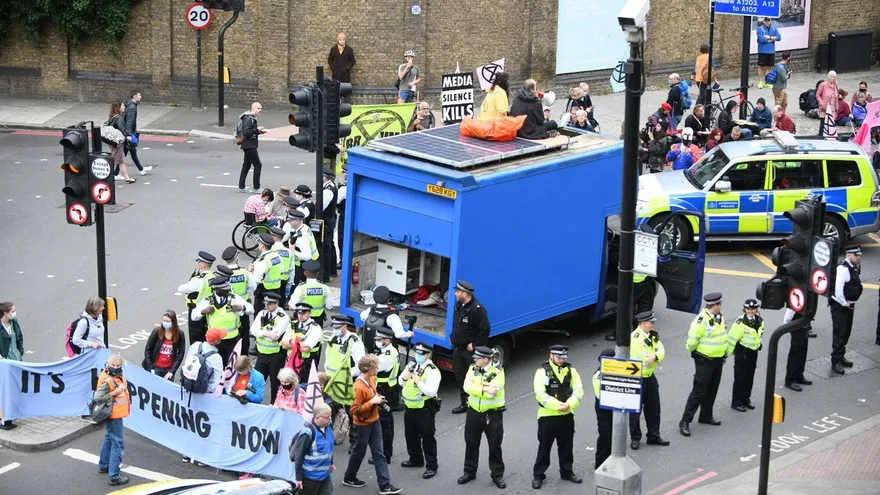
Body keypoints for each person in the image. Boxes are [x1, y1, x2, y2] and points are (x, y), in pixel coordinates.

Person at [343, 355, 403, 495]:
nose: (378, 368)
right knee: (359, 452)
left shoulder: (371, 379)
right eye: (376, 366)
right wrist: (372, 402)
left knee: (379, 454)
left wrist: (377, 399)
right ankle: (349, 477)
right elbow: (355, 411)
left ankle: (385, 485)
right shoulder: (358, 387)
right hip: (363, 425)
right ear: (370, 369)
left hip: (374, 422)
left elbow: (372, 394)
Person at [531, 344, 584, 489]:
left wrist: (569, 405)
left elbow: (578, 391)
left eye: (563, 357)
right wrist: (559, 406)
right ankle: (538, 475)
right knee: (544, 448)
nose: (561, 360)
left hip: (567, 415)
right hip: (547, 416)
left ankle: (567, 472)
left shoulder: (571, 371)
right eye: (558, 357)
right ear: (551, 355)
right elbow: (540, 394)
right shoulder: (542, 372)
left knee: (566, 446)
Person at [679, 292, 727, 437]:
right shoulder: (700, 321)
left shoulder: (719, 317)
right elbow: (692, 342)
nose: (721, 306)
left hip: (718, 359)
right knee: (698, 391)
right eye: (720, 304)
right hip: (704, 360)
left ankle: (706, 416)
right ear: (715, 305)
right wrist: (698, 354)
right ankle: (685, 421)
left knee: (712, 388)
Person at [458, 346, 506, 489]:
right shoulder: (472, 369)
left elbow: (493, 394)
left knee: (495, 445)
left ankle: (497, 475)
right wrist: (484, 388)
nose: (474, 360)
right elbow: (466, 387)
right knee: (471, 443)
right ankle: (469, 472)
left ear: (486, 360)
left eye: (477, 358)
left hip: (492, 414)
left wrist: (476, 389)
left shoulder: (498, 372)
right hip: (474, 412)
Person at [398, 343, 441, 480]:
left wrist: (418, 382)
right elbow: (400, 381)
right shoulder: (412, 365)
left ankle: (431, 466)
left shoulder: (432, 370)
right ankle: (415, 459)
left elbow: (431, 391)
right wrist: (404, 377)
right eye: (417, 353)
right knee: (410, 436)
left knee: (427, 438)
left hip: (425, 409)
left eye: (421, 354)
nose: (418, 355)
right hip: (409, 407)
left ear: (428, 355)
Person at [629, 312, 670, 449]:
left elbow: (662, 350)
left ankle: (653, 436)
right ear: (643, 323)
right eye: (651, 322)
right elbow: (644, 361)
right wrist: (654, 359)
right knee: (635, 411)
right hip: (637, 378)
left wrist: (655, 357)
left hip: (650, 377)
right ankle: (635, 438)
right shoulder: (635, 339)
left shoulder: (652, 335)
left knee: (654, 409)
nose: (654, 324)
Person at [449, 280, 490, 414]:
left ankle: (476, 402)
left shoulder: (477, 309)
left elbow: (485, 329)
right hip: (457, 348)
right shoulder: (460, 305)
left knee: (474, 377)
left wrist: (475, 344)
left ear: (465, 294)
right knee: (460, 377)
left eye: (458, 292)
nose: (455, 294)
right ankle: (465, 402)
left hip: (469, 352)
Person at [191, 277, 250, 364]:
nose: (227, 291)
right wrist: (203, 312)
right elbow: (193, 316)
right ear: (216, 289)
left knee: (231, 366)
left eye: (227, 288)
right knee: (216, 365)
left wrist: (242, 307)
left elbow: (250, 310)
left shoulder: (234, 298)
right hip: (215, 341)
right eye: (224, 289)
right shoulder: (207, 300)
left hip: (232, 340)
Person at [324, 314, 363, 445]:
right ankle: (332, 436)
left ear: (345, 326)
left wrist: (345, 375)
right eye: (334, 327)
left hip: (347, 383)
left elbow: (360, 365)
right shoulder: (333, 338)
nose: (335, 330)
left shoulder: (355, 342)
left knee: (351, 413)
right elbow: (327, 358)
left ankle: (354, 442)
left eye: (338, 327)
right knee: (331, 410)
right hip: (332, 381)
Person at [96, 353, 131, 486]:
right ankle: (114, 476)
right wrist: (115, 392)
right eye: (113, 365)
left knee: (109, 438)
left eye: (118, 365)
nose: (115, 367)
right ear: (108, 364)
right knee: (117, 444)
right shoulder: (109, 379)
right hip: (114, 414)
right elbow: (98, 398)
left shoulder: (114, 375)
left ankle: (104, 465)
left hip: (113, 413)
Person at [251, 292, 291, 404]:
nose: (266, 306)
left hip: (276, 355)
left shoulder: (283, 317)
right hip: (262, 354)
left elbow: (275, 337)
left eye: (269, 304)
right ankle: (254, 403)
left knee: (275, 383)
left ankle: (274, 404)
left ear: (276, 303)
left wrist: (261, 333)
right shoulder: (262, 313)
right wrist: (267, 334)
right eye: (266, 303)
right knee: (257, 381)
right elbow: (253, 330)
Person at [830, 246, 863, 375]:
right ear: (848, 255)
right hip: (840, 306)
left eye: (859, 255)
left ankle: (841, 356)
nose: (858, 258)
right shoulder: (843, 269)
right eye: (856, 255)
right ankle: (836, 361)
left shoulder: (853, 267)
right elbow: (838, 291)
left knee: (846, 332)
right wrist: (845, 304)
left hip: (849, 305)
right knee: (840, 333)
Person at [727, 300, 763, 411]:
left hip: (753, 352)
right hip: (742, 352)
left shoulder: (760, 320)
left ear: (756, 309)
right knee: (740, 377)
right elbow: (732, 338)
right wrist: (734, 352)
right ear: (745, 309)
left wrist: (758, 344)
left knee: (749, 376)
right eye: (748, 309)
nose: (751, 311)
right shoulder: (740, 322)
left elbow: (759, 334)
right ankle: (736, 402)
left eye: (753, 309)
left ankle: (746, 399)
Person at [293, 402, 336, 495]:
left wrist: (331, 463)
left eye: (330, 416)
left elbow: (330, 447)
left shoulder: (329, 427)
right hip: (309, 478)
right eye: (327, 417)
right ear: (317, 417)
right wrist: (299, 477)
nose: (330, 419)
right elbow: (299, 456)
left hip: (325, 475)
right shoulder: (307, 433)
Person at [370, 327, 399, 465]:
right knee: (384, 423)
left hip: (385, 391)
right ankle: (385, 453)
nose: (376, 342)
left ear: (387, 340)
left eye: (379, 340)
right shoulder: (388, 351)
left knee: (384, 425)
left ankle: (385, 455)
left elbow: (370, 368)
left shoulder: (387, 357)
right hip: (386, 390)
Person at [360, 286, 413, 354]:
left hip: (370, 352)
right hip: (386, 353)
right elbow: (399, 334)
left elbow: (362, 317)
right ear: (388, 300)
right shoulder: (392, 316)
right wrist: (409, 334)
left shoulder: (369, 310)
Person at [178, 251, 215, 344]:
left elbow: (181, 289)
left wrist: (193, 279)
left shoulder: (198, 280)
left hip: (197, 309)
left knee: (196, 338)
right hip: (210, 308)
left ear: (202, 265)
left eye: (199, 262)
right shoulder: (212, 276)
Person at [143, 310, 186, 380]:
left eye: (168, 321)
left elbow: (181, 353)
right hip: (156, 367)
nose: (165, 323)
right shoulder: (157, 331)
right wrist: (150, 367)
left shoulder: (180, 334)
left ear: (173, 322)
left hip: (169, 369)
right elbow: (148, 349)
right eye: (164, 321)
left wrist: (172, 371)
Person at [0, 301, 23, 430]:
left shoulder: (14, 323)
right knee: (5, 391)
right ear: (5, 313)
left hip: (16, 360)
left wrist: (20, 352)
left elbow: (19, 338)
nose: (14, 313)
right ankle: (4, 418)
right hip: (4, 363)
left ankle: (10, 416)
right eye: (12, 311)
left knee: (14, 389)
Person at [289, 260, 333, 328]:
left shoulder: (301, 288)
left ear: (305, 273)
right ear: (317, 273)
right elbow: (329, 305)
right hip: (318, 320)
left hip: (303, 318)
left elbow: (292, 304)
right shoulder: (324, 287)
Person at [283, 209, 319, 286]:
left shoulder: (302, 237)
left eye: (290, 220)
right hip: (310, 264)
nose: (288, 222)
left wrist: (292, 251)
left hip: (304, 267)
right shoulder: (305, 227)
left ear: (297, 221)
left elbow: (307, 256)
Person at [237, 102, 268, 194]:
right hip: (249, 145)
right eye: (258, 108)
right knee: (258, 165)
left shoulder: (251, 118)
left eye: (261, 108)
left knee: (246, 165)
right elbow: (246, 133)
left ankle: (241, 186)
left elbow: (251, 132)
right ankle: (256, 187)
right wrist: (257, 130)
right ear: (253, 109)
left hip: (249, 145)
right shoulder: (248, 119)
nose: (260, 110)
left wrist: (259, 132)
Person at [593, 349, 615, 469]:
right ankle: (600, 462)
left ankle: (611, 458)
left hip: (613, 406)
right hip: (604, 407)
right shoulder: (598, 375)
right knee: (605, 434)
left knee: (614, 434)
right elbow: (600, 395)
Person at [250, 233, 283, 315]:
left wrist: (250, 271)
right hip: (276, 291)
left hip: (264, 293)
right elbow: (281, 269)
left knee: (260, 316)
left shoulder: (262, 261)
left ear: (262, 245)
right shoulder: (277, 256)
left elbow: (255, 281)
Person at [291, 302, 323, 383]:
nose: (301, 315)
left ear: (310, 313)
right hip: (292, 363)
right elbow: (284, 344)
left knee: (305, 390)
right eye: (299, 313)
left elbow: (306, 348)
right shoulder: (292, 324)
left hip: (307, 365)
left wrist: (291, 342)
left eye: (304, 313)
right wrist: (297, 343)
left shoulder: (315, 328)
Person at [122, 88, 151, 175]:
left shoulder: (130, 105)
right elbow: (129, 122)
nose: (140, 97)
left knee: (131, 151)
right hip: (130, 133)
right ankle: (115, 173)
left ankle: (141, 170)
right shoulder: (132, 107)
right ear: (135, 96)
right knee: (124, 154)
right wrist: (129, 134)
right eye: (139, 95)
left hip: (129, 132)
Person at [783, 308, 812, 392]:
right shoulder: (798, 296)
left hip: (803, 326)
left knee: (803, 351)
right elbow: (789, 315)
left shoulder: (808, 296)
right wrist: (789, 328)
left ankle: (799, 375)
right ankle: (790, 379)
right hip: (796, 327)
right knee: (795, 353)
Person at [105, 101, 135, 183]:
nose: (124, 106)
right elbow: (121, 130)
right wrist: (127, 137)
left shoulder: (112, 117)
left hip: (113, 141)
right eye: (122, 105)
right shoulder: (118, 118)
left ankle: (127, 178)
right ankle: (105, 175)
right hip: (117, 142)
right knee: (115, 159)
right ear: (118, 107)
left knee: (121, 160)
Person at [320, 166, 338, 282]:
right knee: (329, 244)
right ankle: (332, 270)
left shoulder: (328, 190)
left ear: (324, 177)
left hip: (327, 220)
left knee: (326, 246)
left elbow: (321, 207)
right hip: (330, 218)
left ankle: (326, 273)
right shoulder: (331, 187)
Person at [756, 17, 781, 89]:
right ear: (763, 21)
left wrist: (769, 37)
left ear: (770, 21)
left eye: (768, 20)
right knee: (761, 66)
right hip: (762, 51)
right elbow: (761, 39)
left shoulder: (774, 29)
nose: (767, 22)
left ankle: (767, 82)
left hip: (771, 51)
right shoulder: (760, 29)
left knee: (769, 67)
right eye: (766, 20)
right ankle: (761, 81)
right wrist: (772, 39)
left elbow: (779, 37)